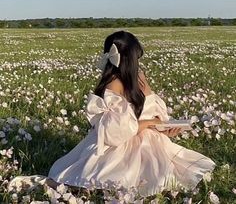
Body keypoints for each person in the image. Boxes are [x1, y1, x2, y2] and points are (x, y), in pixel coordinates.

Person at [47, 30, 216, 197]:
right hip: (119, 144)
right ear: (129, 59)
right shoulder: (113, 85)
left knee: (167, 168)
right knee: (120, 177)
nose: (138, 64)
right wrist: (149, 123)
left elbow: (150, 109)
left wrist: (163, 128)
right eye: (136, 58)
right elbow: (116, 133)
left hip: (148, 138)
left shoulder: (139, 77)